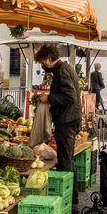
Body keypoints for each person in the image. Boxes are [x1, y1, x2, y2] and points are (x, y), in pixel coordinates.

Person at [34, 43, 81, 172]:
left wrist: (48, 98)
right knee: (66, 158)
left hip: (67, 121)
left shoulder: (62, 71)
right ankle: (71, 191)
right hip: (70, 118)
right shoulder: (65, 68)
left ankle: (70, 192)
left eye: (43, 62)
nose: (43, 66)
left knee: (65, 161)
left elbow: (70, 97)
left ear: (49, 59)